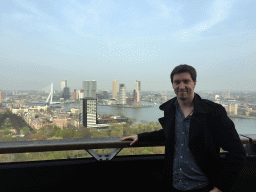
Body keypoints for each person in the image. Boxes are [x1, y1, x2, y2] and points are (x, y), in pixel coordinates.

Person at [120, 64, 246, 192]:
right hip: (174, 186)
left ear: (194, 83)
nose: (181, 86)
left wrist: (220, 188)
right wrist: (140, 136)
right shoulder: (171, 110)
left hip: (204, 187)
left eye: (186, 81)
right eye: (177, 82)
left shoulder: (213, 112)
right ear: (173, 85)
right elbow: (171, 132)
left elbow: (238, 153)